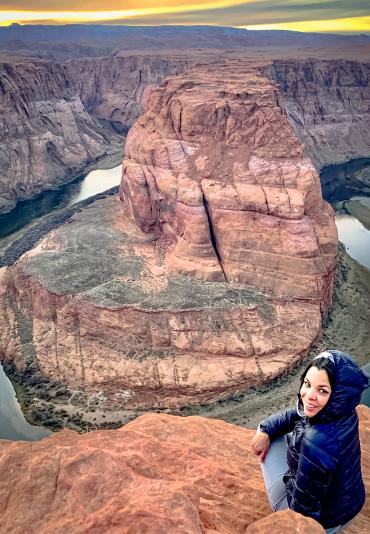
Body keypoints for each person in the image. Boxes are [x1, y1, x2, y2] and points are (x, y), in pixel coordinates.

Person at [251, 350, 369, 533]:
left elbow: (303, 513)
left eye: (322, 390)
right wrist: (267, 431)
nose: (308, 395)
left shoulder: (316, 443)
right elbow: (299, 414)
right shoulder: (344, 411)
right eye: (307, 384)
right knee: (270, 430)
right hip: (349, 506)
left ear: (336, 395)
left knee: (267, 431)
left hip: (326, 523)